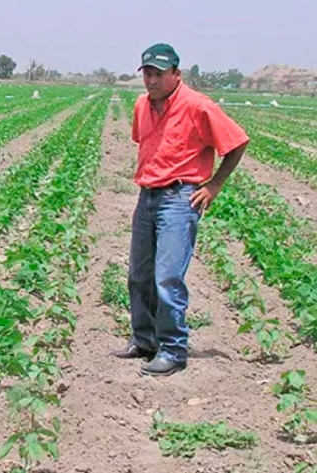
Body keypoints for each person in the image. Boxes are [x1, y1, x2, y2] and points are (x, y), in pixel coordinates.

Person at [112, 43, 249, 376]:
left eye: (159, 73)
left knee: (168, 278)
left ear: (176, 74)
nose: (152, 80)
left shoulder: (198, 106)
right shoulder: (142, 105)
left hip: (179, 198)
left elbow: (237, 142)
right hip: (147, 197)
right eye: (147, 73)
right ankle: (144, 340)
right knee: (138, 276)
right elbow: (144, 143)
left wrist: (213, 185)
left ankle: (173, 349)